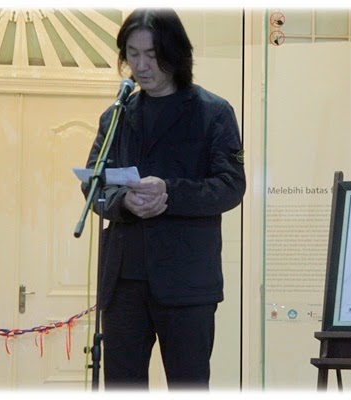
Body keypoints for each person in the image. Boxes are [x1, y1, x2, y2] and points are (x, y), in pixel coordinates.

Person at [81, 8, 246, 390]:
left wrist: (169, 191)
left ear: (175, 53)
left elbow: (230, 186)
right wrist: (123, 202)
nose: (141, 65)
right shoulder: (116, 116)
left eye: (152, 55)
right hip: (123, 280)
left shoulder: (213, 112)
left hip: (187, 282)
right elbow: (93, 183)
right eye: (133, 54)